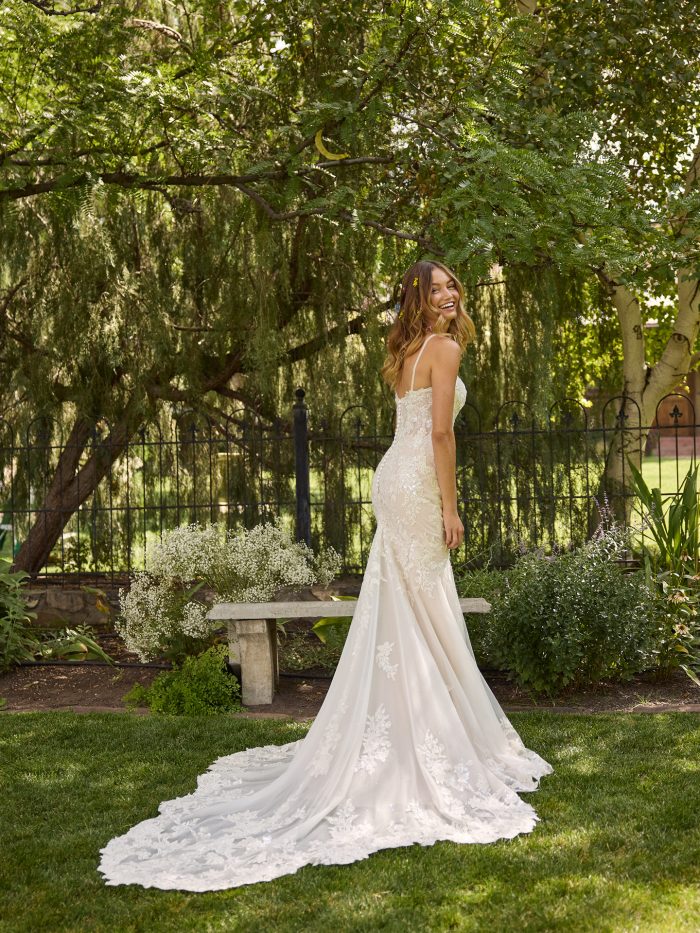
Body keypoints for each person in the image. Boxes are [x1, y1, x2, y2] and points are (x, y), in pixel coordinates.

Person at [98, 260, 553, 892]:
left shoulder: (408, 351)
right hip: (418, 483)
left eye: (453, 285)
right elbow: (442, 434)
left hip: (394, 479)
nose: (449, 295)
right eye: (437, 288)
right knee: (422, 605)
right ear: (418, 299)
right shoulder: (443, 347)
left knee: (412, 606)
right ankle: (431, 739)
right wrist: (452, 506)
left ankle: (423, 720)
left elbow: (419, 427)